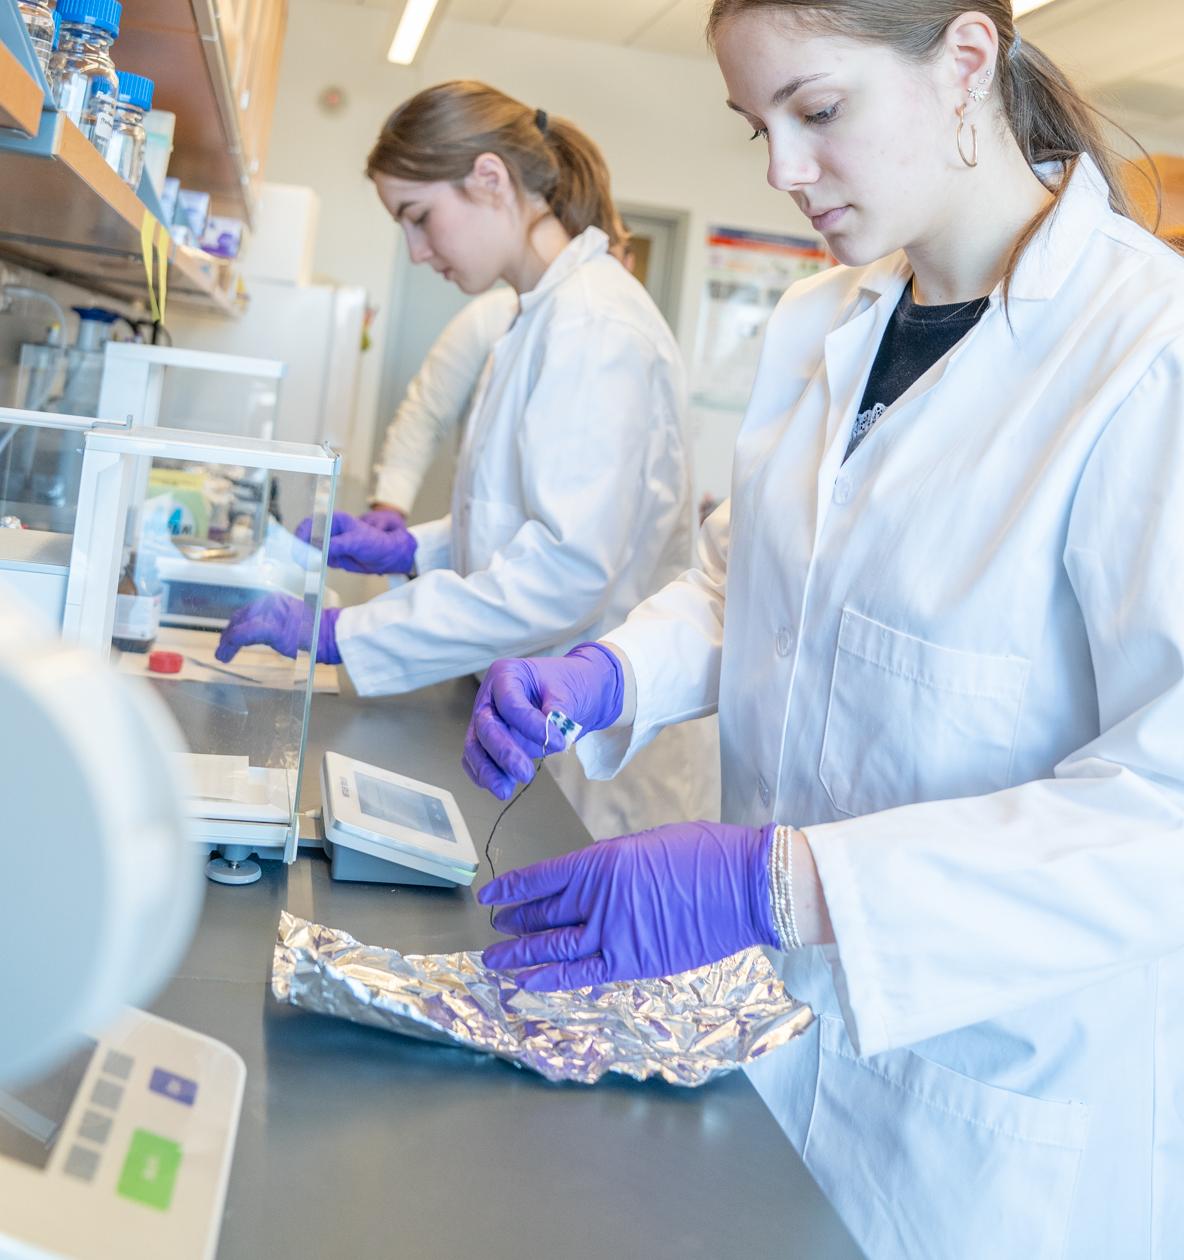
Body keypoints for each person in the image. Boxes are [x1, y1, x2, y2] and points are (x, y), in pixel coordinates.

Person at [462, 4, 1184, 1258]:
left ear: (965, 62)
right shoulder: (821, 321)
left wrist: (781, 884)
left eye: (817, 110)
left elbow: (1161, 811)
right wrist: (610, 670)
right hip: (767, 1049)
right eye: (758, 126)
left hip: (983, 1118)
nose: (782, 170)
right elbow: (746, 588)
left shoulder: (1144, 351)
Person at [218, 80, 719, 838]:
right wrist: (412, 549)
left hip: (594, 756)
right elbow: (520, 518)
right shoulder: (536, 316)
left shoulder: (593, 326)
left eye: (420, 218)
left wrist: (342, 633)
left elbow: (563, 574)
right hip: (537, 717)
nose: (418, 252)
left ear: (490, 179)